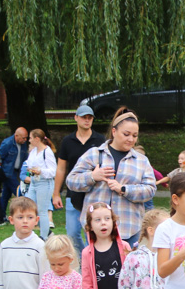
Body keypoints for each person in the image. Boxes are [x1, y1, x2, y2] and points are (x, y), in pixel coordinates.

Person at [67, 107, 157, 247]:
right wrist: (92, 176)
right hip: (95, 230)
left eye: (134, 135)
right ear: (114, 132)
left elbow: (150, 189)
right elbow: (71, 181)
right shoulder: (94, 154)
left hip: (129, 229)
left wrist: (124, 189)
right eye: (126, 134)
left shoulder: (141, 160)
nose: (131, 139)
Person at [54, 106, 105, 253]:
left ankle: (92, 261)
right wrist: (56, 193)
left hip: (94, 194)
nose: (87, 120)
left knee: (91, 232)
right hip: (74, 193)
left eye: (90, 117)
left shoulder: (100, 140)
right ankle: (83, 259)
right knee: (72, 232)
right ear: (76, 118)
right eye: (84, 117)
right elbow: (61, 168)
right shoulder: (67, 141)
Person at [24, 129, 57, 239]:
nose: (29, 140)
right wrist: (30, 170)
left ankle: (44, 237)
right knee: (29, 207)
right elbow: (29, 164)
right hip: (34, 182)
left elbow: (53, 171)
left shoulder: (47, 152)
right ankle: (35, 233)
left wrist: (41, 171)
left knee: (42, 210)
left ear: (37, 139)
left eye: (31, 138)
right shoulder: (34, 151)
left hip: (44, 182)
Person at [0, 127, 29, 213]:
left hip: (16, 171)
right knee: (19, 191)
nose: (25, 140)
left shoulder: (23, 144)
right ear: (16, 136)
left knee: (6, 195)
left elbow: (25, 158)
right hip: (7, 172)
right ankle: (25, 211)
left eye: (26, 138)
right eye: (23, 138)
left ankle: (1, 215)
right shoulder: (7, 143)